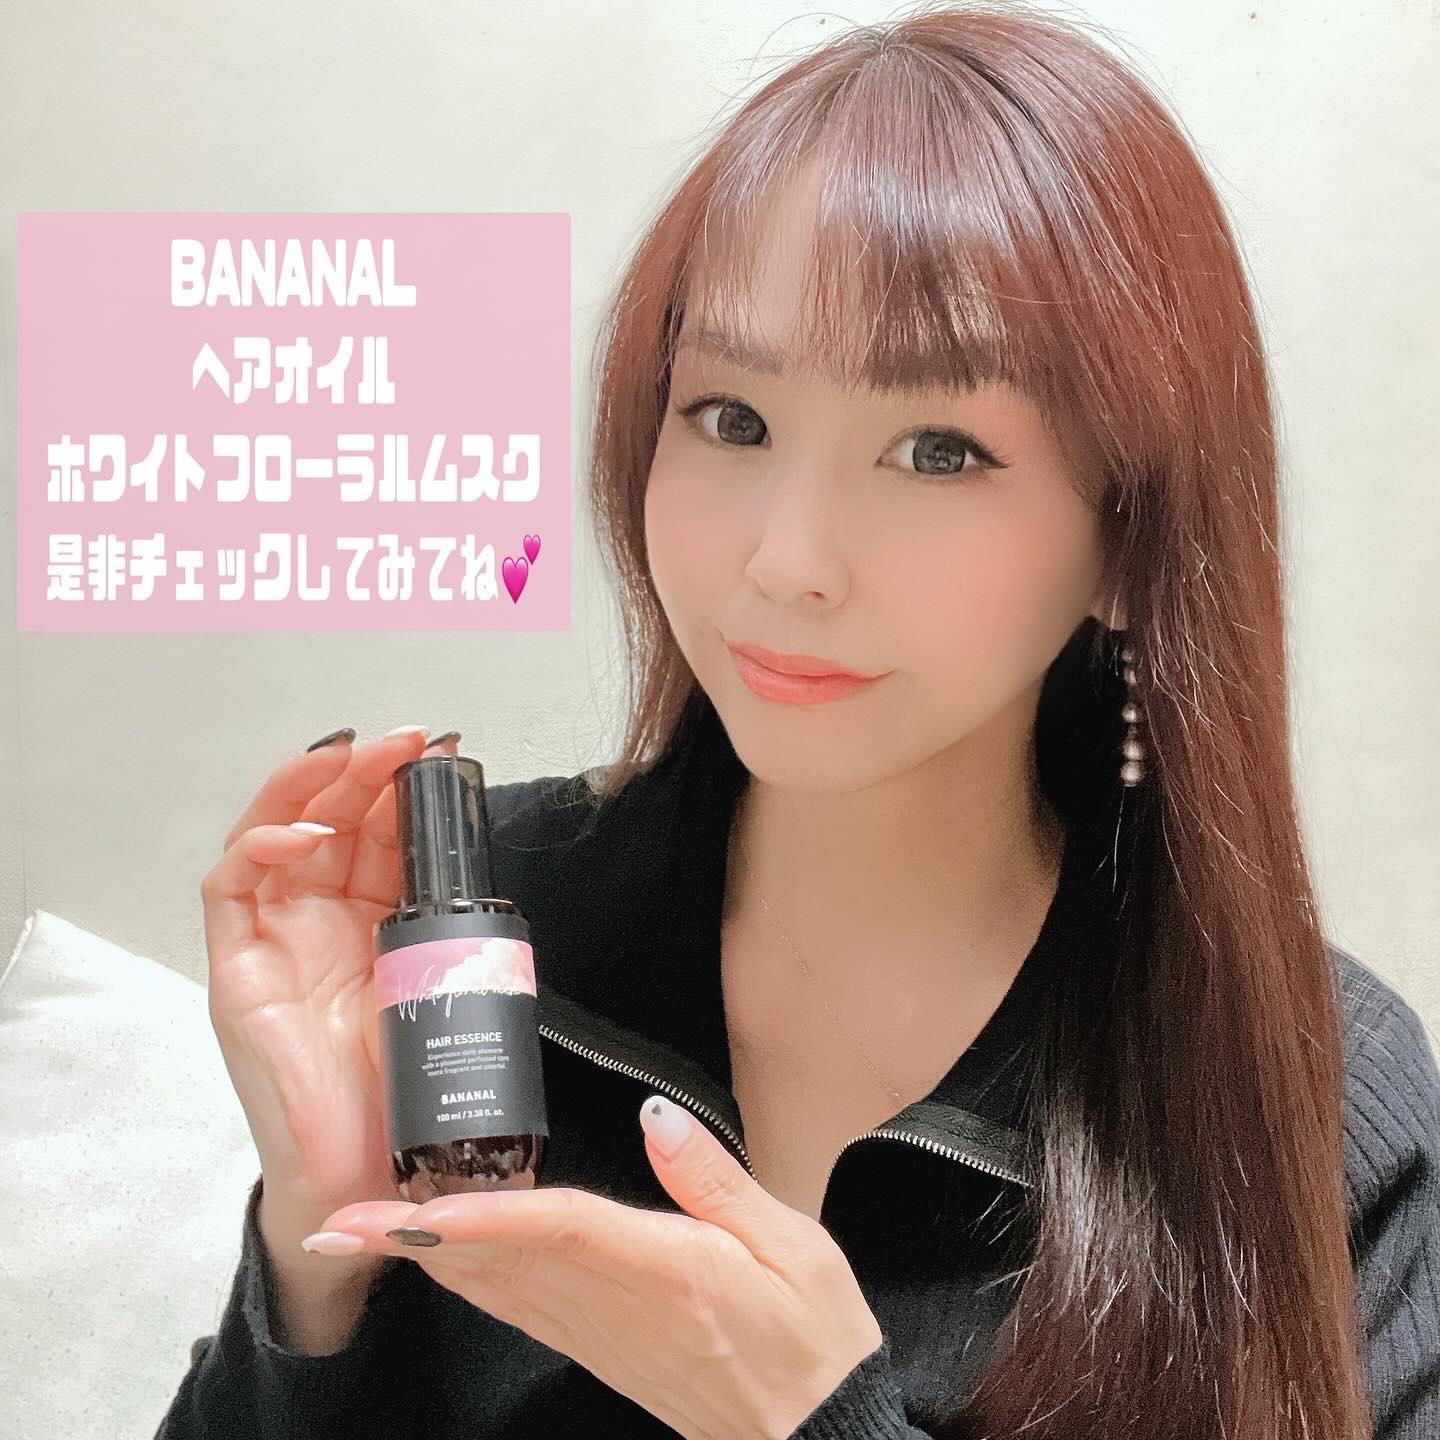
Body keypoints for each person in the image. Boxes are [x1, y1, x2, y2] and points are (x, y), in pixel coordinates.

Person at [155, 5, 1440, 1438]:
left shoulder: (1313, 1096)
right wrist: (316, 1259)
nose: (785, 561)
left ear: (1130, 537)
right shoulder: (463, 951)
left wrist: (808, 1417)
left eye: (937, 449)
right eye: (730, 418)